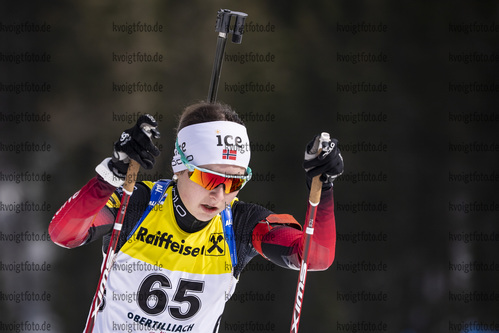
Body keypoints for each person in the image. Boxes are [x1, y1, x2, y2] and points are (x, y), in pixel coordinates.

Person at [48, 101, 344, 332]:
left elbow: (315, 258)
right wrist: (110, 176)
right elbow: (64, 234)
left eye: (234, 182)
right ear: (180, 167)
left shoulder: (241, 225)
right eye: (208, 178)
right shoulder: (137, 203)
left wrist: (324, 186)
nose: (220, 194)